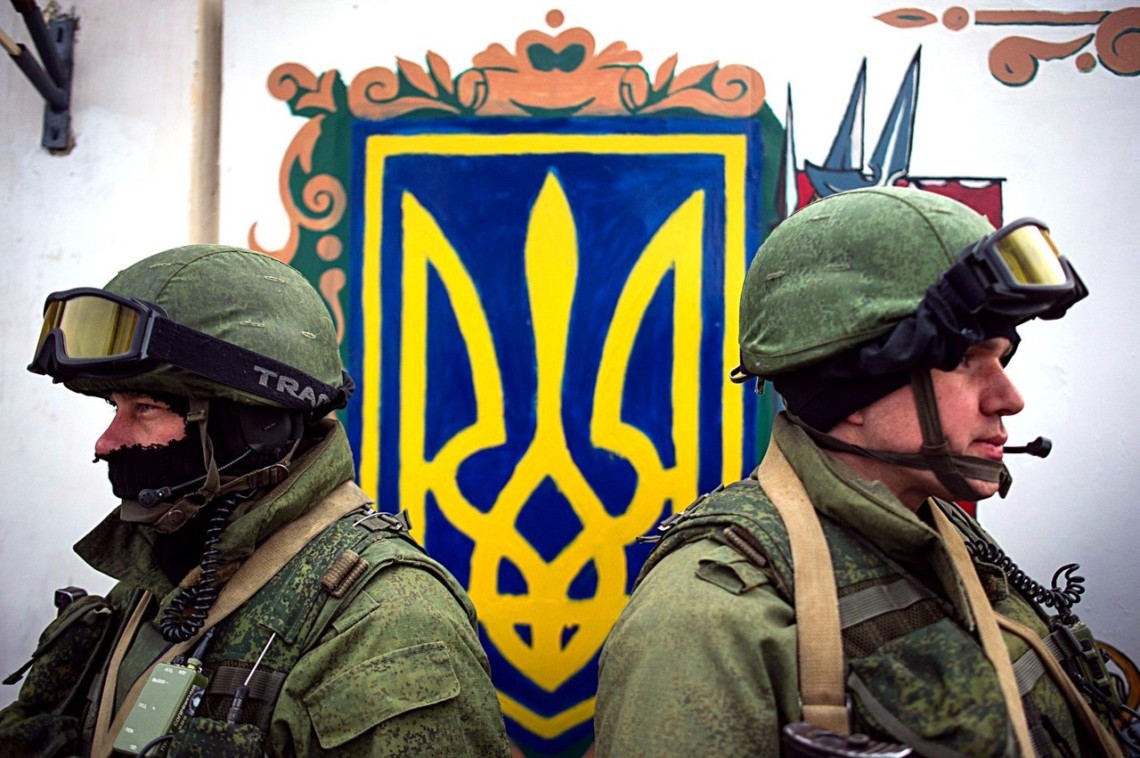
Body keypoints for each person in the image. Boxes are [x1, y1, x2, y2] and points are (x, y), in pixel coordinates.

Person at [595, 187, 1135, 756]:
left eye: (1001, 359)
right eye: (964, 362)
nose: (1009, 398)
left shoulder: (940, 532)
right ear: (853, 387)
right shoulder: (707, 621)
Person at [1, 244, 512, 756]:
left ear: (256, 425)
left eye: (147, 409)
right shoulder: (157, 577)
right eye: (114, 407)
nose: (106, 443)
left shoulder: (385, 622)